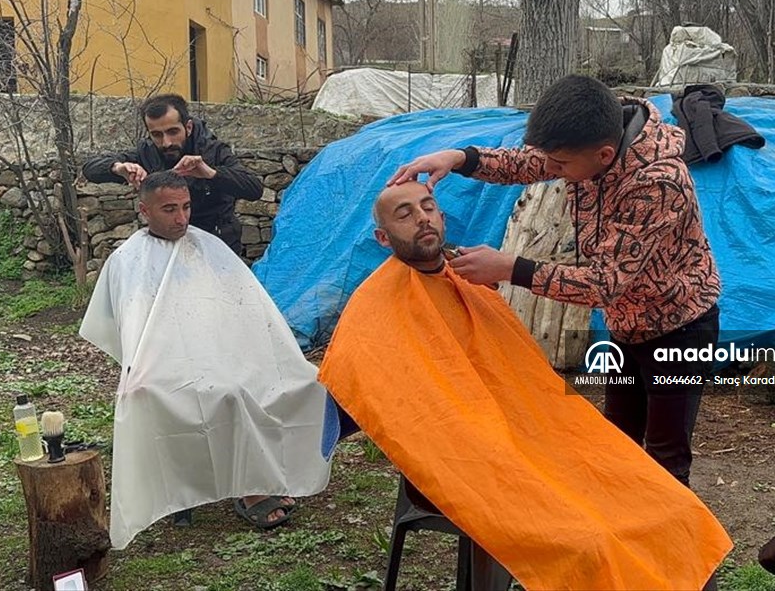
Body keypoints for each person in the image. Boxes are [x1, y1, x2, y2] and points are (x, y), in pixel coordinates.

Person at [318, 180, 730, 590]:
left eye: (428, 206)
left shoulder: (469, 281)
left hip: (542, 436)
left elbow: (521, 375)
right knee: (589, 541)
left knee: (671, 504)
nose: (422, 218)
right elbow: (383, 398)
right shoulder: (375, 307)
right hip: (471, 459)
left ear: (442, 217)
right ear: (383, 238)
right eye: (404, 214)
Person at [387, 74, 721, 489]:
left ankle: (677, 548)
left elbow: (604, 284)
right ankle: (624, 535)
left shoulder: (657, 183)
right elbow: (529, 162)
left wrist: (511, 268)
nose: (551, 172)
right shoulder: (587, 135)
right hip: (628, 324)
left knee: (666, 456)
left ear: (603, 155)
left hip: (679, 326)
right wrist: (460, 158)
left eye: (560, 167)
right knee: (619, 442)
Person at [79, 171, 335, 548]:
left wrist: (241, 352)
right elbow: (135, 328)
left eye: (186, 207)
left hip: (222, 352)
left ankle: (263, 474)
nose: (181, 218)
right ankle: (249, 488)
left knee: (301, 382)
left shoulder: (207, 246)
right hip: (165, 365)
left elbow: (245, 309)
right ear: (144, 210)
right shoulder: (128, 260)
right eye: (169, 209)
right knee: (227, 393)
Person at [82, 93, 263, 254]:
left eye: (173, 131)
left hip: (217, 244)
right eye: (157, 135)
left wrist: (211, 173)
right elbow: (90, 169)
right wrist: (118, 168)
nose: (166, 142)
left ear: (188, 127)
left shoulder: (214, 151)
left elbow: (254, 188)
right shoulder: (146, 152)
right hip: (165, 248)